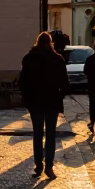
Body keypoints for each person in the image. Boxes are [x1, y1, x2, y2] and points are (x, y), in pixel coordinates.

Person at [18, 31, 71, 180]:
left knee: (37, 133)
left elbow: (22, 83)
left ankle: (38, 165)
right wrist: (60, 94)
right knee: (51, 134)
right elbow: (65, 85)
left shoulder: (29, 59)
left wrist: (27, 99)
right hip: (52, 102)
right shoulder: (57, 59)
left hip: (35, 102)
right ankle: (49, 166)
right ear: (50, 43)